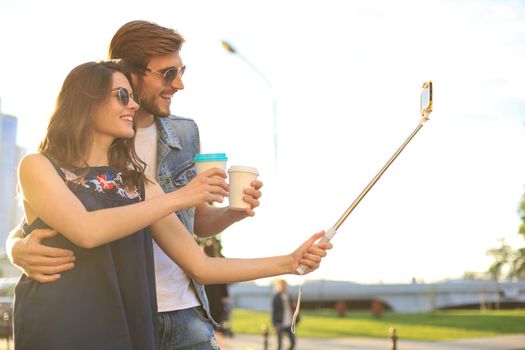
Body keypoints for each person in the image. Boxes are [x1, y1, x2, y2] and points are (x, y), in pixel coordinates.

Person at [13, 60, 331, 350]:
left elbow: (202, 267)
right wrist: (179, 197)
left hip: (126, 332)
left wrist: (290, 262)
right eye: (122, 96)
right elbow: (86, 230)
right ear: (85, 100)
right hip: (57, 330)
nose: (133, 105)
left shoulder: (139, 184)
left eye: (133, 97)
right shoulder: (39, 166)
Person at [7, 20, 264, 349]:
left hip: (179, 306)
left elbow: (193, 224)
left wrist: (233, 212)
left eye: (182, 71)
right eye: (168, 74)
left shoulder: (184, 135)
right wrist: (14, 246)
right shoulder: (82, 147)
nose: (179, 84)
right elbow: (60, 215)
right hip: (111, 308)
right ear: (130, 73)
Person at [272, 279, 297, 350]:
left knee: (293, 342)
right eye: (282, 285)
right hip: (280, 323)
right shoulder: (276, 296)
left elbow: (292, 306)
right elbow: (274, 311)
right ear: (279, 285)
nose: (284, 286)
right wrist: (274, 325)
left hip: (289, 322)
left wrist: (293, 305)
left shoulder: (288, 295)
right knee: (279, 345)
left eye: (285, 285)